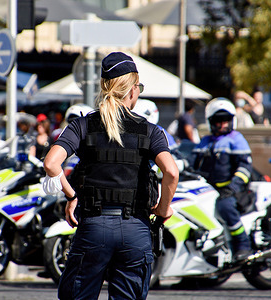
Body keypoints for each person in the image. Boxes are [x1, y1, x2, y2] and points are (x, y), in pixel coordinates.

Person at [42, 52, 179, 300]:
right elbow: (171, 172)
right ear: (133, 90)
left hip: (94, 227)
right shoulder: (151, 131)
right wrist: (163, 209)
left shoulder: (82, 125)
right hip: (135, 229)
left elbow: (51, 164)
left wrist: (71, 195)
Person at [191, 98, 253, 261]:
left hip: (232, 191)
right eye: (218, 120)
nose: (222, 124)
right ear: (211, 122)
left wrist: (232, 188)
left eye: (226, 120)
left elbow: (245, 168)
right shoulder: (205, 141)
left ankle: (243, 245)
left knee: (225, 207)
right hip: (207, 189)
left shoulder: (236, 139)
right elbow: (193, 164)